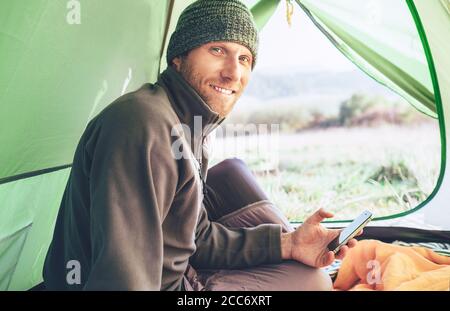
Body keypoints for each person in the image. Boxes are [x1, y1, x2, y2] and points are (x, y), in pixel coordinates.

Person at [43, 0, 358, 291]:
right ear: (179, 57)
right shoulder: (144, 123)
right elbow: (120, 276)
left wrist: (289, 244)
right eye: (218, 50)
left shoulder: (186, 121)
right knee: (311, 285)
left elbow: (195, 236)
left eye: (244, 58)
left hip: (176, 272)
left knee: (237, 177)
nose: (234, 72)